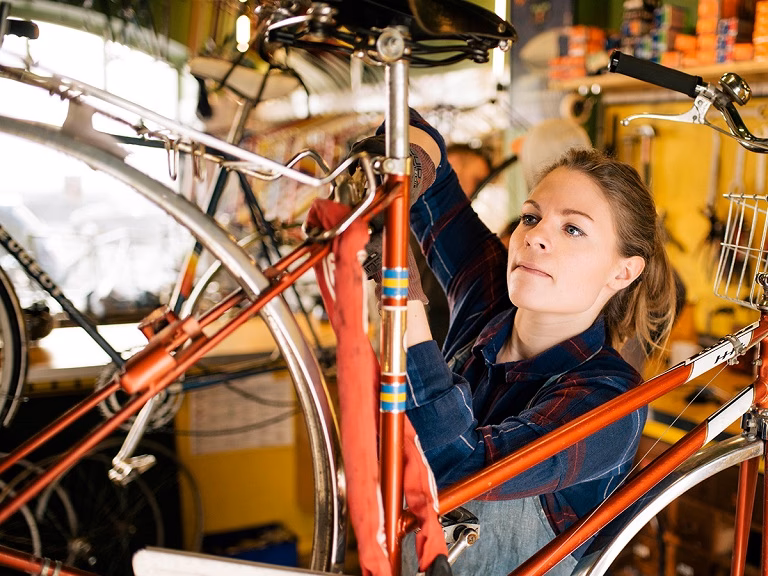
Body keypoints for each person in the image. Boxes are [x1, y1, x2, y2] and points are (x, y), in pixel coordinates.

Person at [362, 110, 677, 575]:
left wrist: (401, 296)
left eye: (572, 228)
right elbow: (416, 139)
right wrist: (405, 163)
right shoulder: (489, 297)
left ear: (623, 271)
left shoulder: (610, 402)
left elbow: (457, 470)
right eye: (531, 217)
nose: (535, 237)